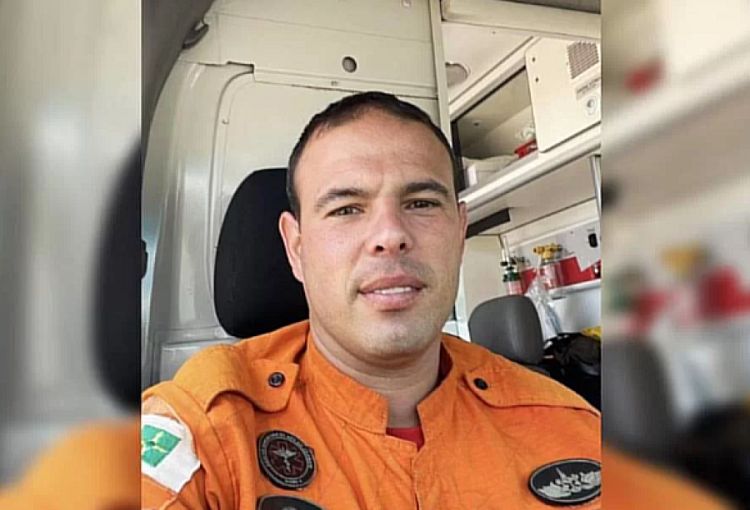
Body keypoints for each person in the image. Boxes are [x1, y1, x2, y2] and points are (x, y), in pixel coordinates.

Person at [141, 91, 601, 509]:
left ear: (460, 233)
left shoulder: (571, 427)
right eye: (346, 209)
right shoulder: (210, 427)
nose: (390, 235)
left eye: (421, 203)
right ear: (296, 248)